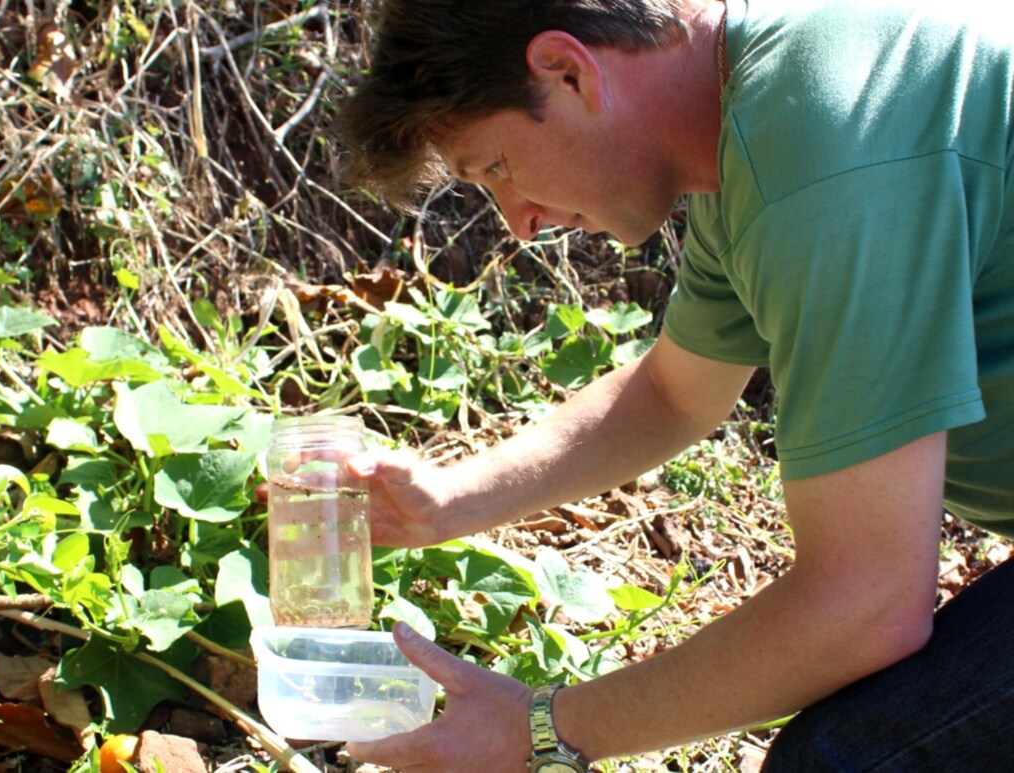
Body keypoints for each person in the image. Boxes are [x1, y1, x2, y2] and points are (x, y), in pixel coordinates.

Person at [336, 0, 1014, 770]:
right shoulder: (759, 117)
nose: (518, 222)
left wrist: (541, 730)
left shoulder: (825, 145)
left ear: (567, 71)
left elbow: (867, 602)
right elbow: (676, 392)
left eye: (495, 167)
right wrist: (450, 502)